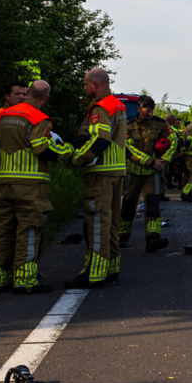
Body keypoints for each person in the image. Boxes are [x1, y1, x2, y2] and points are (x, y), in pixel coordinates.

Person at [0, 81, 72, 293]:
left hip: (3, 183)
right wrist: (67, 150)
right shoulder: (39, 119)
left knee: (2, 231)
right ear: (46, 98)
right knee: (29, 231)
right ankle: (25, 280)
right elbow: (41, 148)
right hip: (31, 185)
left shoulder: (3, 115)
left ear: (28, 94)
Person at [67, 68, 127, 289]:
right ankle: (111, 267)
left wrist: (77, 158)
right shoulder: (117, 105)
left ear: (95, 84)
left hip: (101, 173)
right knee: (111, 223)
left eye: (85, 84)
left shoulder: (101, 107)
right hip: (117, 172)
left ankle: (94, 273)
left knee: (98, 223)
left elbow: (100, 140)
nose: (84, 88)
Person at [121, 95, 177, 253]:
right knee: (128, 205)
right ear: (139, 109)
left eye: (151, 110)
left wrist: (164, 160)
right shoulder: (129, 126)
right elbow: (129, 148)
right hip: (133, 172)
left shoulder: (160, 124)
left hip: (153, 173)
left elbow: (174, 141)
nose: (149, 113)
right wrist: (151, 161)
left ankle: (153, 238)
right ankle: (122, 237)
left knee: (153, 205)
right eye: (146, 111)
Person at [0, 81, 28, 286]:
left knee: (12, 228)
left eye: (25, 94)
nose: (21, 97)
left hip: (15, 183)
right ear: (7, 97)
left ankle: (7, 271)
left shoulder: (26, 117)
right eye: (17, 94)